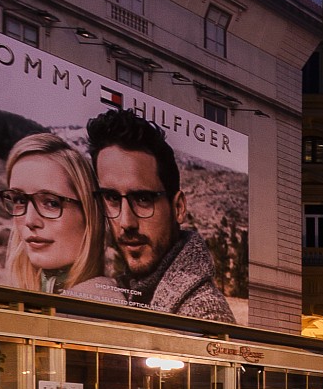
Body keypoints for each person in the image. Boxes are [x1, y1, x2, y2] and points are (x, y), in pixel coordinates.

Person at [86, 109, 234, 321]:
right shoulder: (124, 291)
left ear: (178, 208)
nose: (126, 222)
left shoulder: (203, 314)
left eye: (143, 199)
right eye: (112, 198)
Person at [0, 132, 128, 302]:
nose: (30, 221)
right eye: (19, 200)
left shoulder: (101, 303)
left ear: (88, 213)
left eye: (51, 203)